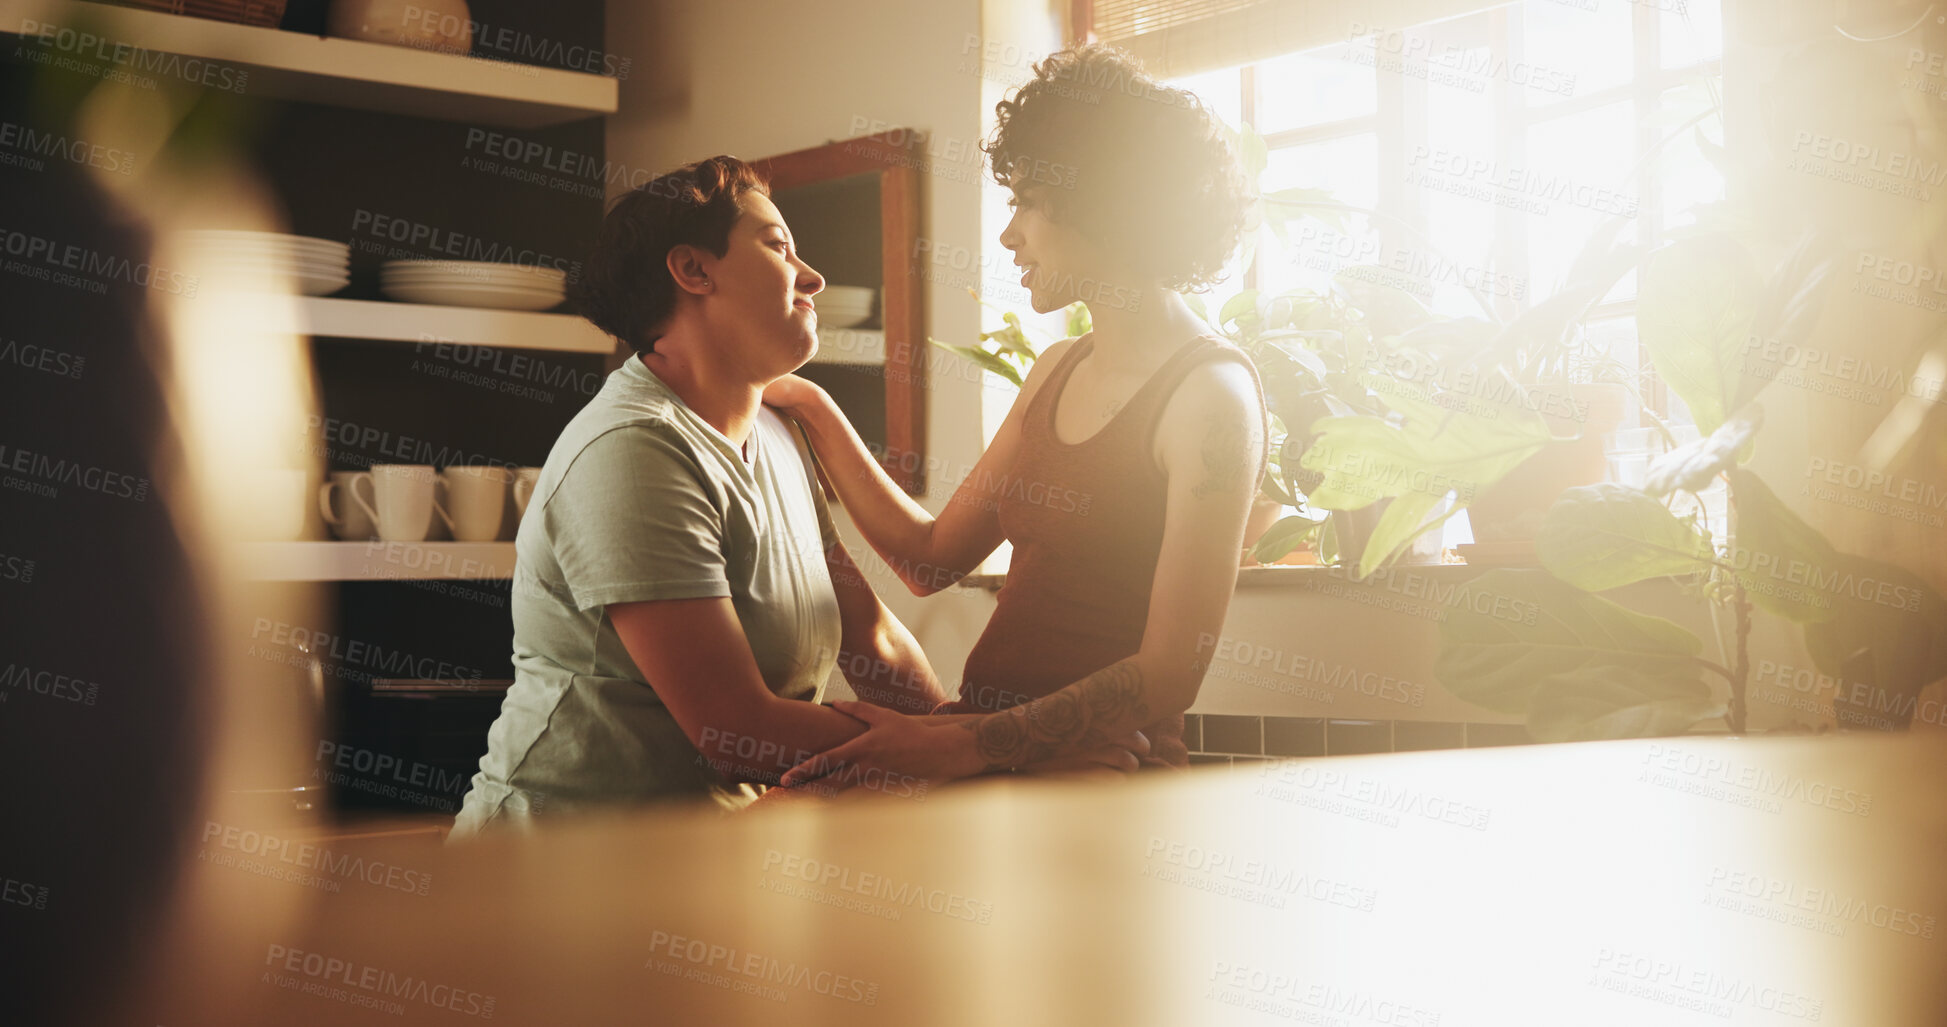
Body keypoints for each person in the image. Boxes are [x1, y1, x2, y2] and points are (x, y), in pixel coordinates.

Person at [763, 44, 1264, 789]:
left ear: (1105, 198)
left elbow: (1168, 674)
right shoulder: (1055, 370)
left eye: (1027, 200)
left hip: (1101, 775)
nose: (1009, 234)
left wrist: (971, 744)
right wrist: (810, 402)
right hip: (992, 755)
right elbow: (930, 559)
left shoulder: (1210, 395)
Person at [452, 157, 953, 834]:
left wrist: (972, 746)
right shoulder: (633, 447)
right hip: (563, 863)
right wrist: (956, 753)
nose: (813, 278)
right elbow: (734, 727)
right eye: (778, 247)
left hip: (710, 851)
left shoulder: (778, 433)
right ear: (692, 270)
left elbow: (874, 640)